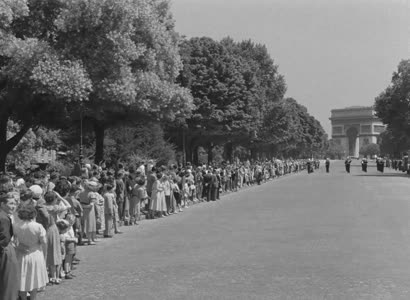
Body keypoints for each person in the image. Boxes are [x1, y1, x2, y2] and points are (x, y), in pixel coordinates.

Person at [13, 205, 48, 300]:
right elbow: (44, 242)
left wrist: (19, 246)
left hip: (21, 254)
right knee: (34, 278)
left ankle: (23, 298)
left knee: (22, 278)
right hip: (35, 253)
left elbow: (13, 241)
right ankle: (33, 298)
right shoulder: (38, 226)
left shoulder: (16, 225)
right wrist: (45, 255)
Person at [0, 191, 19, 300]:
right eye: (11, 203)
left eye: (15, 204)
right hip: (6, 250)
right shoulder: (3, 218)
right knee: (9, 282)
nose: (13, 206)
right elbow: (4, 238)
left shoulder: (4, 216)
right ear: (2, 204)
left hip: (6, 248)